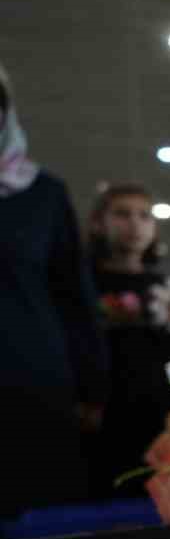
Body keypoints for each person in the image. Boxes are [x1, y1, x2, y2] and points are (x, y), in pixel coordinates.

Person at [0, 62, 108, 516]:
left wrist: (92, 386)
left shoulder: (43, 194)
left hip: (32, 381)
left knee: (41, 522)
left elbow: (73, 294)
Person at [88, 183, 170, 496]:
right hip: (101, 407)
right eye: (122, 214)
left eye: (144, 216)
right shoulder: (82, 280)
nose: (135, 223)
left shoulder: (163, 284)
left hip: (155, 403)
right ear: (99, 222)